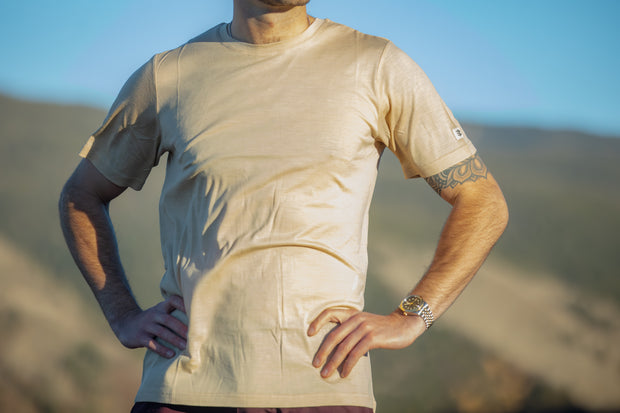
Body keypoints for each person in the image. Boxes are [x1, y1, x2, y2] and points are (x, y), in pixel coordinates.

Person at [59, 1, 508, 412]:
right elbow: (81, 196)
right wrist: (122, 315)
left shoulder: (376, 65)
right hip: (183, 391)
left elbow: (482, 201)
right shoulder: (168, 76)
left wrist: (412, 316)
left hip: (326, 385)